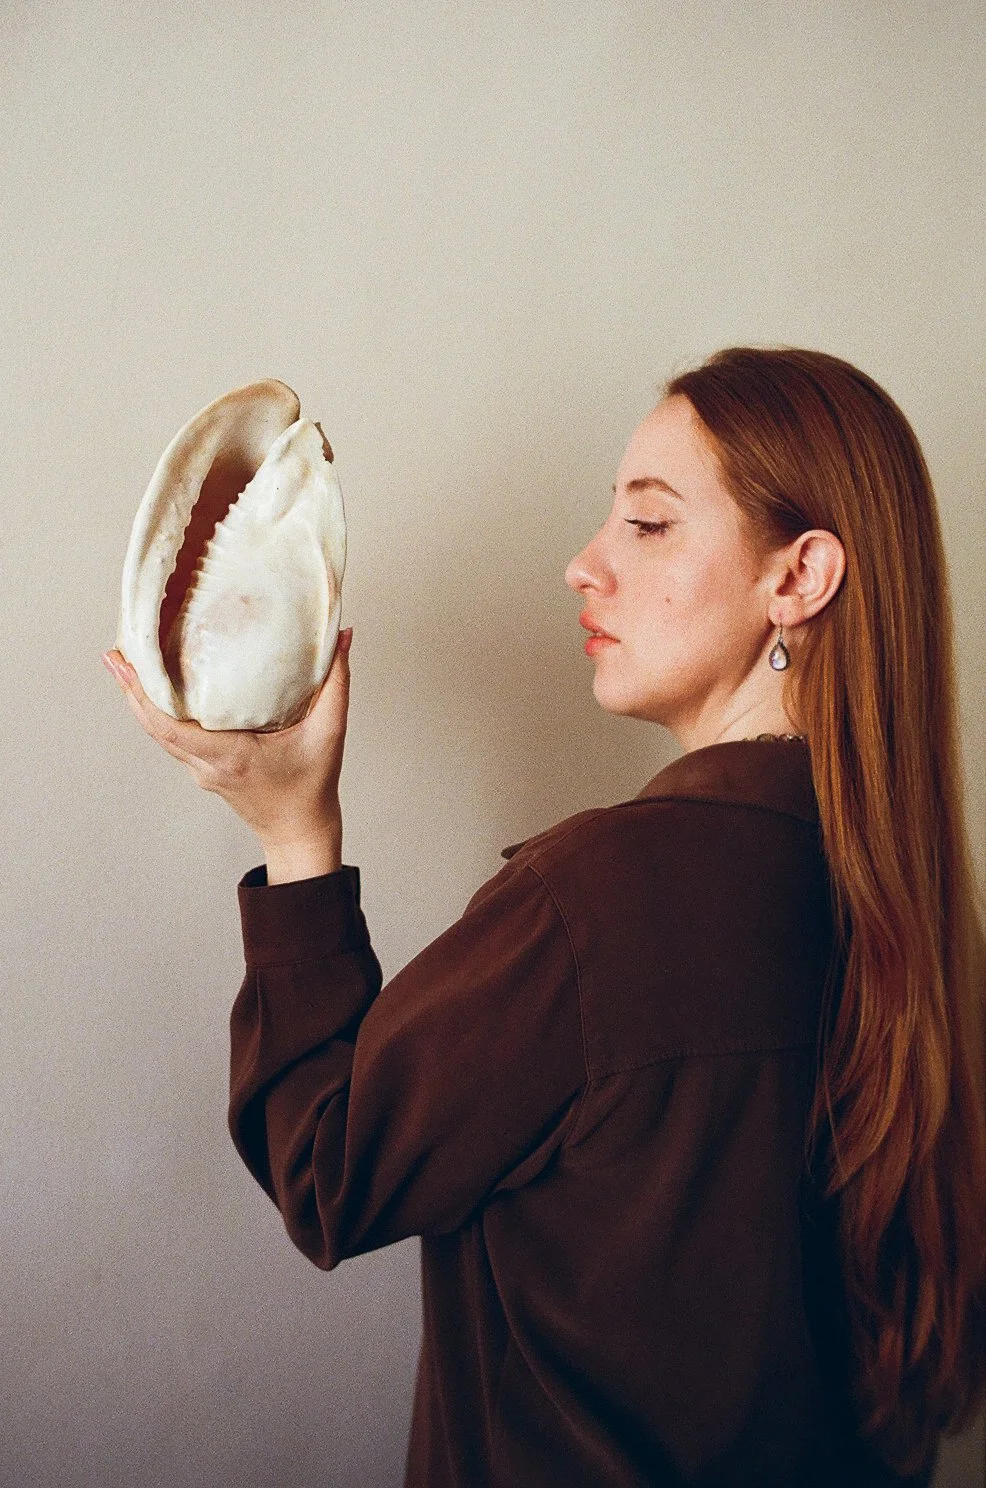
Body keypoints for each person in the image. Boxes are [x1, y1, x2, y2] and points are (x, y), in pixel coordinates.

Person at [103, 346, 986, 1487]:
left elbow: (330, 1174)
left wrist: (294, 837)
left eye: (649, 524)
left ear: (798, 577)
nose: (583, 565)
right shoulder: (908, 906)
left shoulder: (599, 900)